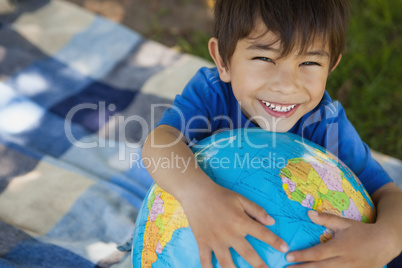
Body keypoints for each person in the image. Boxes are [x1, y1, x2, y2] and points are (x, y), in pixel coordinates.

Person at [142, 0, 402, 267]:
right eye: (264, 58)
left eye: (310, 62)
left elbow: (389, 194)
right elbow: (159, 143)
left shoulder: (325, 122)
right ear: (222, 60)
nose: (286, 85)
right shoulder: (212, 93)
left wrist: (387, 239)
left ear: (331, 66)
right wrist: (197, 194)